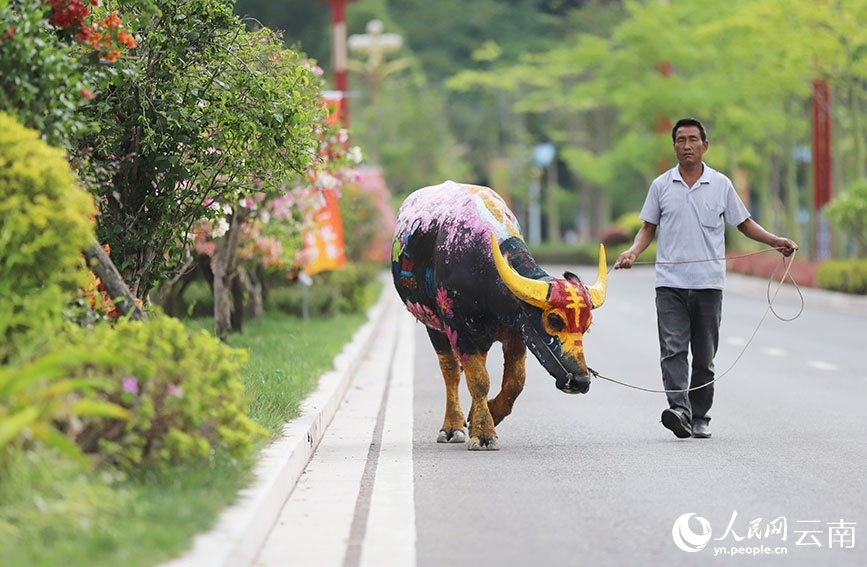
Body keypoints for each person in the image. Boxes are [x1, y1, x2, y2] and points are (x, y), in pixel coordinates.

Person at [613, 117, 797, 439]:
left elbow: (744, 223)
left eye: (693, 139)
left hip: (708, 284)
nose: (687, 145)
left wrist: (774, 241)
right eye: (681, 140)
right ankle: (679, 411)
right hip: (669, 283)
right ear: (674, 147)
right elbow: (647, 229)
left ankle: (700, 415)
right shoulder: (660, 186)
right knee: (672, 349)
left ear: (704, 146)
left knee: (705, 355)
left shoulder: (722, 185)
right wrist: (632, 252)